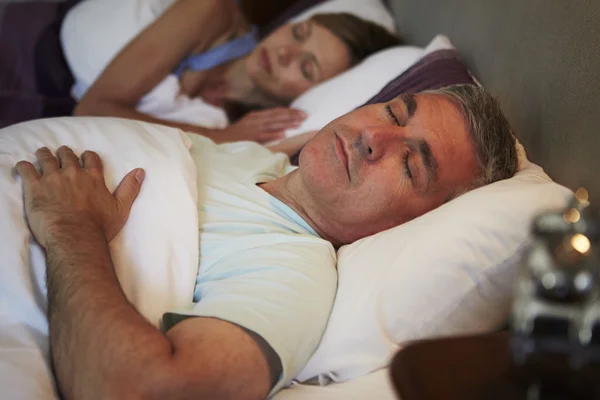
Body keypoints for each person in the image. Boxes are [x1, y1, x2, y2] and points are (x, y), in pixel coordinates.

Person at [15, 84, 518, 399]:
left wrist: (70, 228)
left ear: (410, 225)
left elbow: (136, 388)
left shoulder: (292, 273)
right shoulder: (259, 161)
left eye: (410, 164)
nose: (373, 138)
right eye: (391, 112)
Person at [66, 0, 401, 144]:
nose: (284, 52)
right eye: (298, 33)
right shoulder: (210, 12)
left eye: (306, 66)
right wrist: (222, 140)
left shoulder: (228, 122)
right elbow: (91, 108)